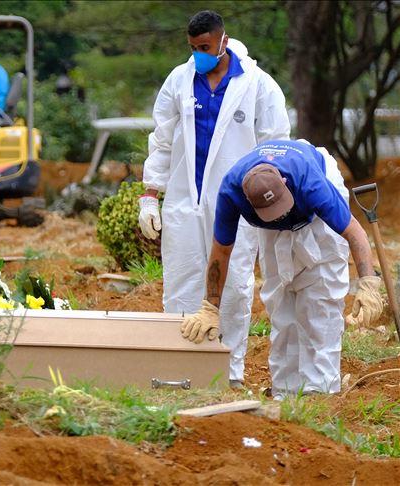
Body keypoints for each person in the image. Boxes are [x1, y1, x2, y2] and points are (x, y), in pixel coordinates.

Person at [138, 10, 290, 387]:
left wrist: (270, 201)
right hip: (184, 201)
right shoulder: (179, 79)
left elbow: (276, 145)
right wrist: (149, 195)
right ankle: (179, 370)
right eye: (192, 48)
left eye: (204, 47)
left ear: (223, 40)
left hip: (238, 202)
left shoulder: (257, 85)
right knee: (182, 277)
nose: (198, 55)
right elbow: (160, 140)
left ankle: (229, 371)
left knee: (235, 281)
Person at [181, 139, 384, 397]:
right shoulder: (231, 192)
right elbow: (221, 251)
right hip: (270, 226)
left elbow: (355, 233)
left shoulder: (312, 183)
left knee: (320, 298)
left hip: (313, 213)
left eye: (280, 208)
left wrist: (368, 283)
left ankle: (319, 392)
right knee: (280, 300)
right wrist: (210, 307)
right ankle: (286, 391)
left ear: (286, 185)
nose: (279, 216)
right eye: (272, 212)